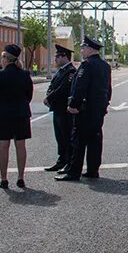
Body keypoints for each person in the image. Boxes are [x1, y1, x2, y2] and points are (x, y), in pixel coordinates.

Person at [56, 36, 112, 182]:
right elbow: (108, 89)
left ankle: (74, 172)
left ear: (90, 49)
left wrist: (73, 105)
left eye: (83, 48)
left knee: (78, 141)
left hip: (84, 111)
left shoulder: (87, 65)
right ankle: (93, 170)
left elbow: (80, 87)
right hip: (98, 110)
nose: (81, 51)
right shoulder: (105, 66)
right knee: (95, 140)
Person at [0, 44, 34, 189]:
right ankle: (21, 178)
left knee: (3, 147)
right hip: (21, 113)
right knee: (21, 146)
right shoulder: (25, 75)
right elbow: (29, 95)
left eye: (2, 57)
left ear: (6, 59)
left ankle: (4, 179)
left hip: (4, 114)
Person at [42, 44, 77, 172]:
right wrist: (48, 97)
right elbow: (52, 86)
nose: (55, 59)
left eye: (57, 56)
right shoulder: (60, 71)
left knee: (66, 136)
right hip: (57, 109)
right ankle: (61, 160)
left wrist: (49, 98)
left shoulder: (71, 72)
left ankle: (68, 162)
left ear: (65, 57)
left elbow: (62, 89)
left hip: (64, 109)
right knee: (60, 137)